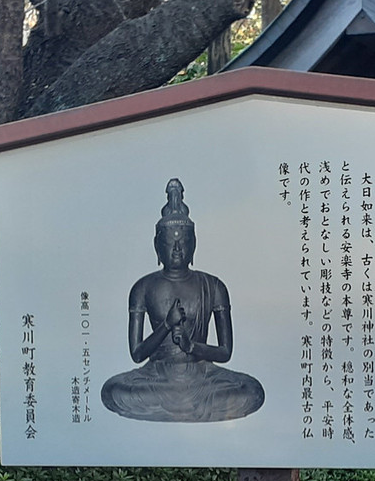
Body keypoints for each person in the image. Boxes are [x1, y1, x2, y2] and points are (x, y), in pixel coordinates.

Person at [101, 179, 265, 422]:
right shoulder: (142, 288)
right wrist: (166, 325)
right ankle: (190, 409)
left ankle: (174, 410)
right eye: (170, 243)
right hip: (156, 378)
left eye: (183, 243)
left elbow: (225, 352)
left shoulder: (214, 286)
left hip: (202, 375)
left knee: (251, 391)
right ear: (157, 246)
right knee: (114, 391)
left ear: (193, 245)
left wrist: (192, 348)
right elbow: (137, 354)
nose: (177, 249)